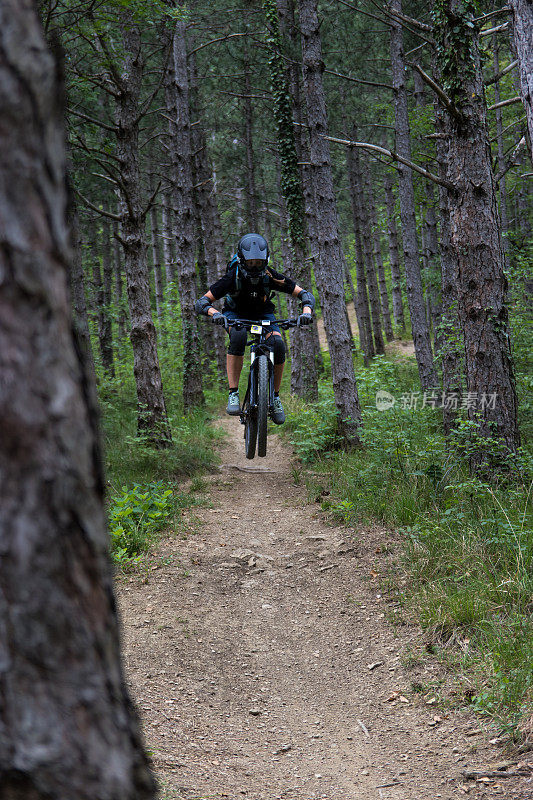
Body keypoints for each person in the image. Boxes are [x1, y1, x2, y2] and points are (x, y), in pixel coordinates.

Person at [195, 232, 314, 424]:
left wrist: (306, 312)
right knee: (239, 337)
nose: (255, 267)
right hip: (236, 315)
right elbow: (202, 302)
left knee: (278, 344)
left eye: (259, 263)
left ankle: (275, 397)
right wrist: (215, 314)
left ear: (265, 260)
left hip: (264, 316)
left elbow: (305, 295)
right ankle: (233, 393)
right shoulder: (231, 278)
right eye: (251, 263)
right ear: (242, 260)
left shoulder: (271, 276)